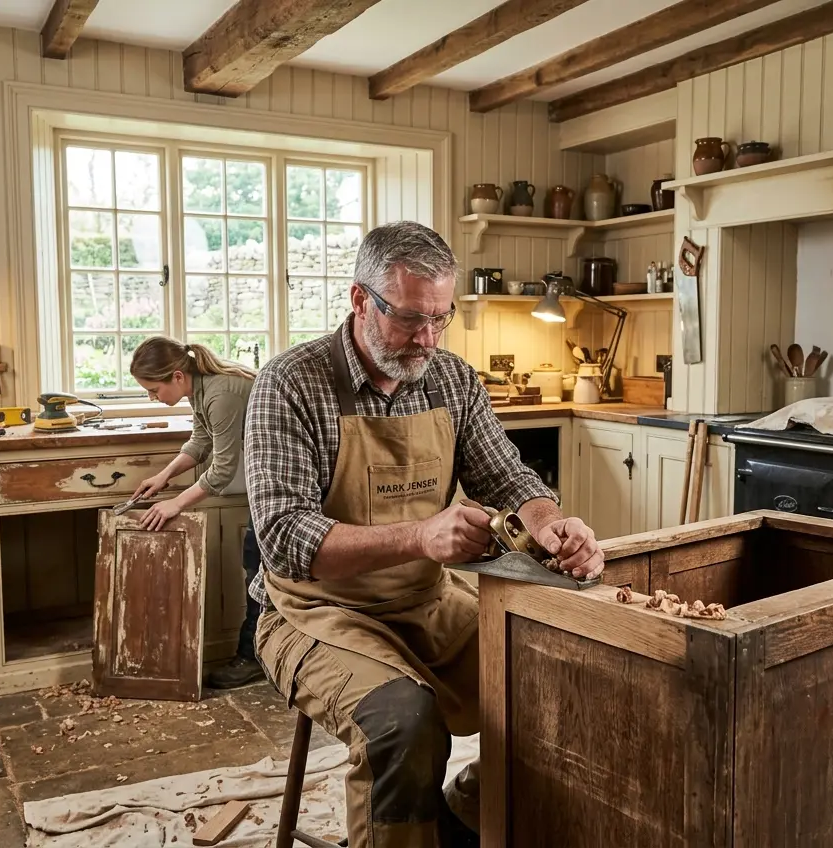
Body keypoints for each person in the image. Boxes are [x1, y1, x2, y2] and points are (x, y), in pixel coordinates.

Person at [244, 221, 605, 848]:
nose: (428, 339)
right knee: (405, 724)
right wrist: (420, 538)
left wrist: (552, 524)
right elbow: (284, 537)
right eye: (411, 319)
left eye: (442, 319)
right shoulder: (290, 384)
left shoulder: (452, 381)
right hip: (315, 610)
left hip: (426, 601)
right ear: (360, 300)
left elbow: (507, 477)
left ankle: (464, 811)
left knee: (560, 680)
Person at [128, 336, 265, 689]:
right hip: (269, 476)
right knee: (258, 561)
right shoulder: (201, 390)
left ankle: (254, 657)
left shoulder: (222, 394)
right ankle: (260, 653)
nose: (152, 398)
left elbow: (221, 470)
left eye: (153, 390)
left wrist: (176, 503)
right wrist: (163, 477)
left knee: (259, 563)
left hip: (292, 474)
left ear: (176, 376)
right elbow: (201, 441)